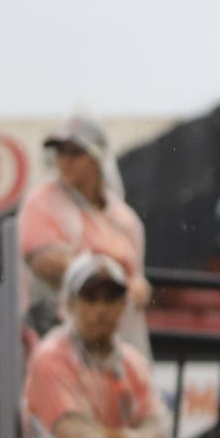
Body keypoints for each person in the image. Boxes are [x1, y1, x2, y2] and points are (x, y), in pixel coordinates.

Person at [22, 253, 169, 438]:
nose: (101, 309)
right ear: (70, 303)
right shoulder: (51, 358)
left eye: (110, 297)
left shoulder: (133, 364)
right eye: (90, 297)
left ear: (123, 304)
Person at [18, 118, 149, 358]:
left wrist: (134, 284)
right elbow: (43, 261)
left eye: (75, 153)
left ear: (97, 159)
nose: (64, 161)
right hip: (52, 334)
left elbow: (136, 279)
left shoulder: (124, 219)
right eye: (60, 152)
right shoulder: (42, 201)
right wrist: (114, 277)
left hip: (115, 339)